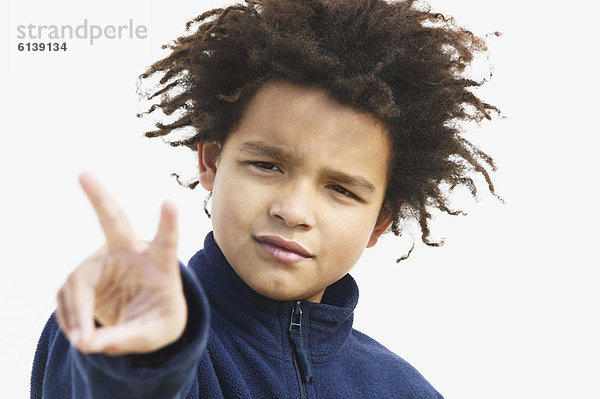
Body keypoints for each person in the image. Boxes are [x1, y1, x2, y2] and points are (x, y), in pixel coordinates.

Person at [31, 0, 501, 397]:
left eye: (340, 189)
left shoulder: (401, 389)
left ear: (380, 222)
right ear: (211, 163)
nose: (293, 211)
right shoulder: (131, 325)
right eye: (268, 166)